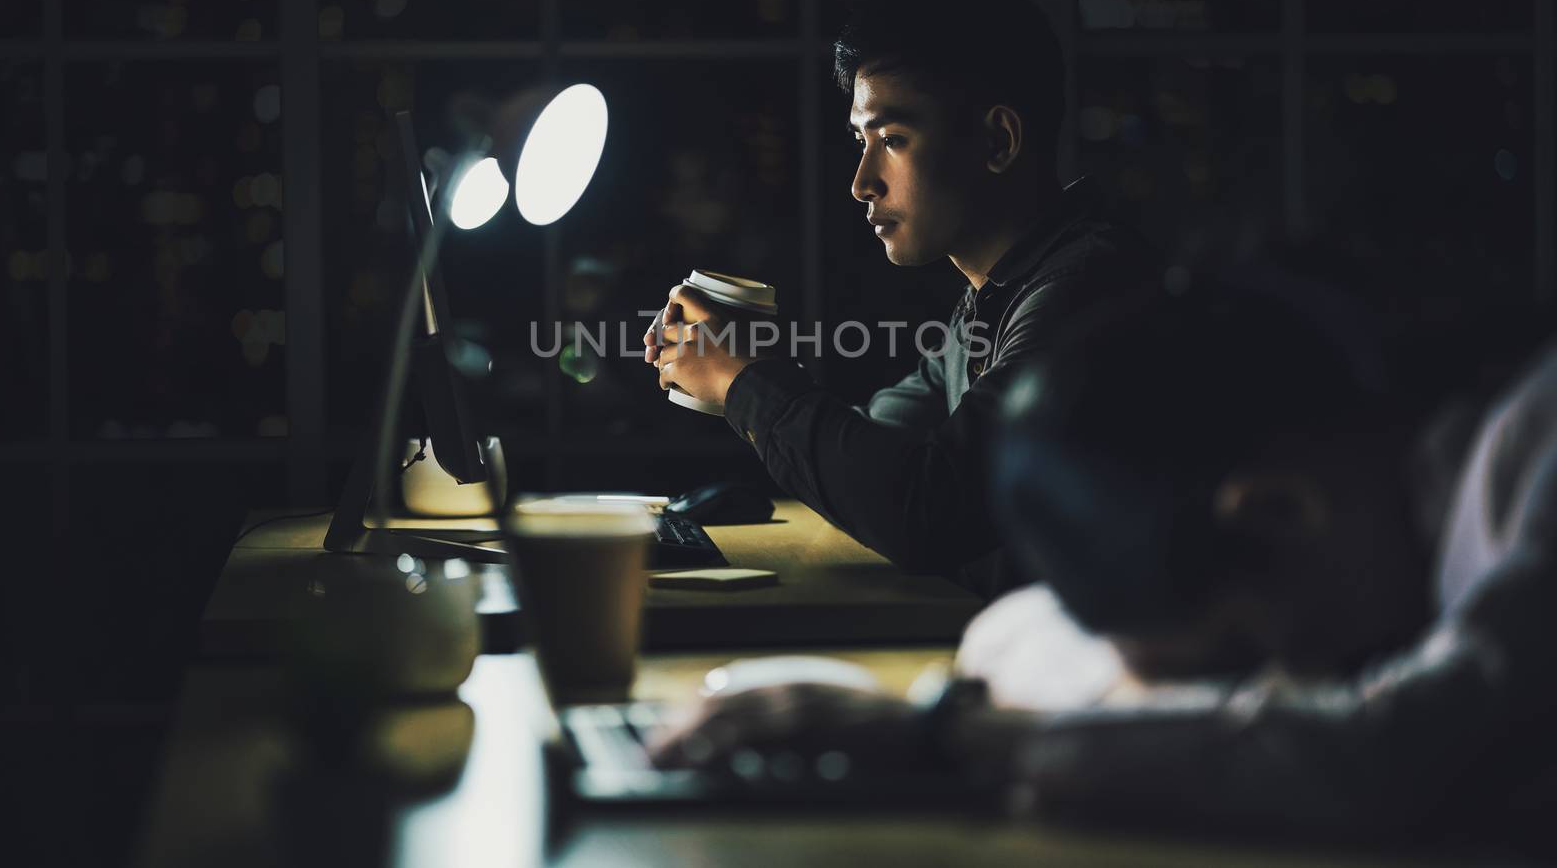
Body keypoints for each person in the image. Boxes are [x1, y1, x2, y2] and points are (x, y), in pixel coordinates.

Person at [647, 278, 1557, 848]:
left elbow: (1394, 760)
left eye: (1245, 656)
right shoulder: (1372, 512)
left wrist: (941, 734)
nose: (1277, 691)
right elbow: (1017, 632)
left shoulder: (1538, 459)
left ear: (1279, 511)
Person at [643, 0, 1153, 594]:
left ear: (997, 139)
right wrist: (744, 372)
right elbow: (880, 447)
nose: (862, 181)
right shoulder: (994, 298)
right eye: (862, 140)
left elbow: (926, 509)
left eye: (893, 139)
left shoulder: (1085, 293)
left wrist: (744, 379)